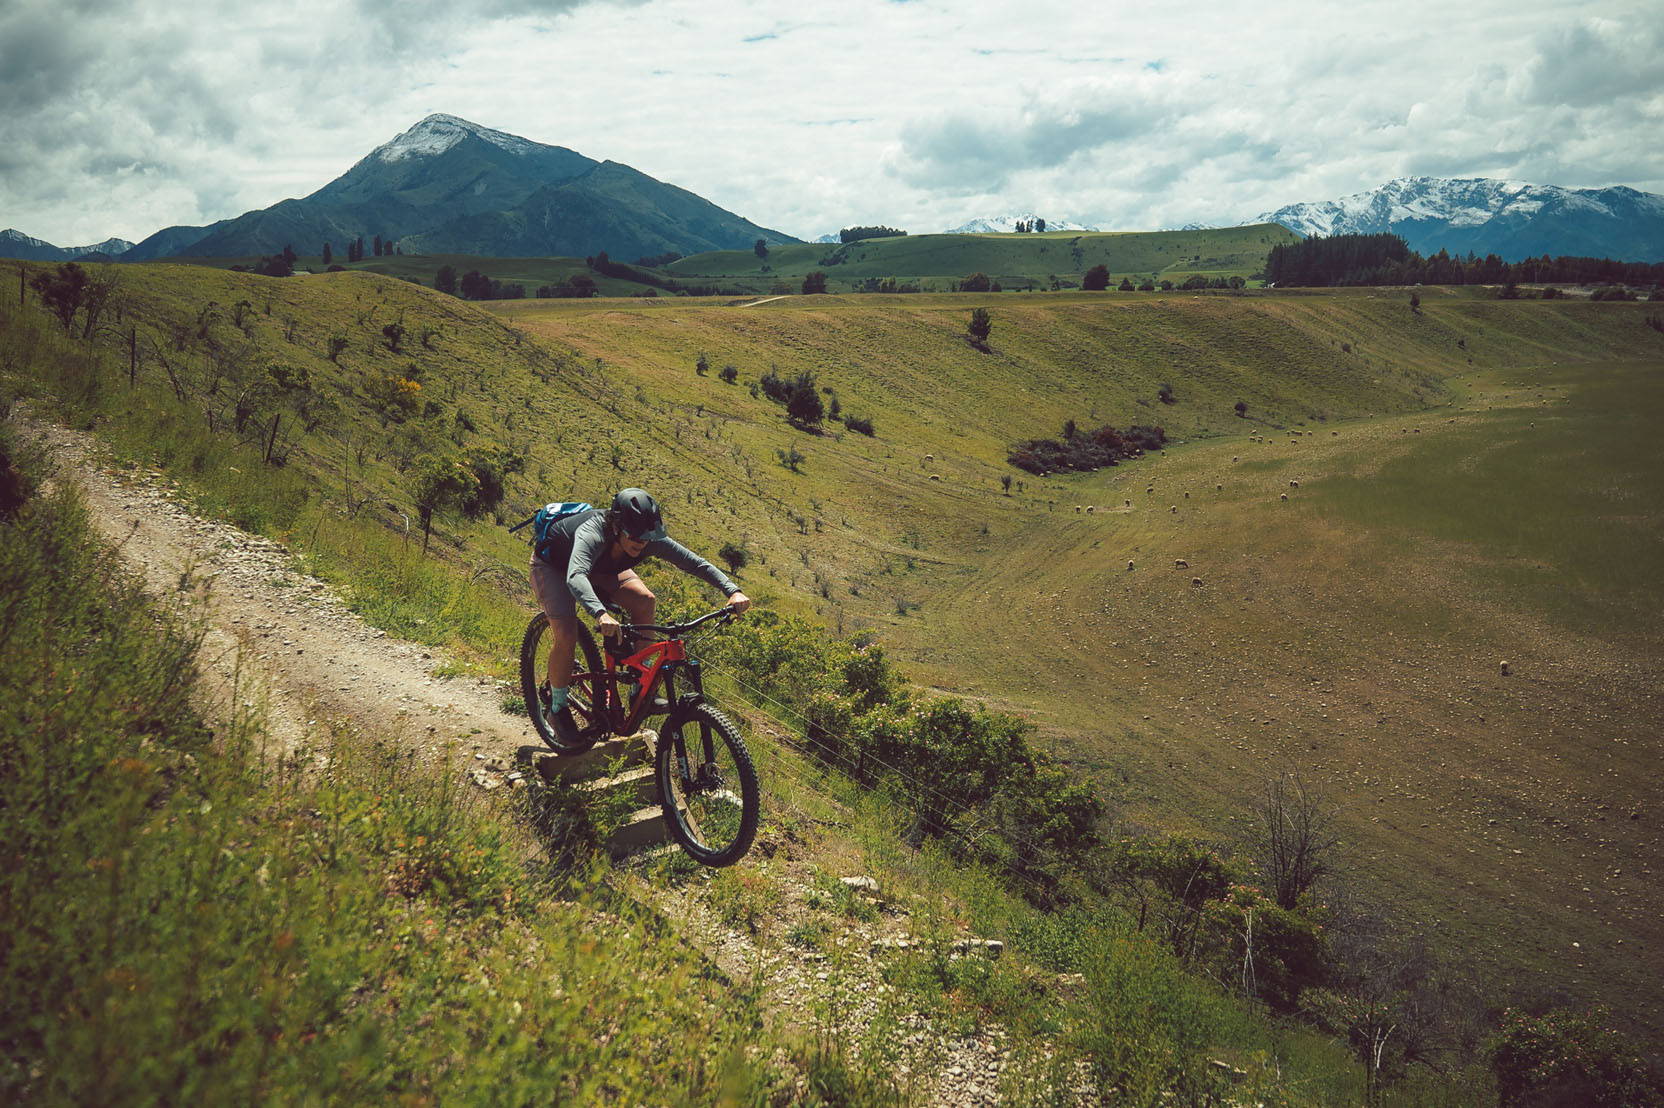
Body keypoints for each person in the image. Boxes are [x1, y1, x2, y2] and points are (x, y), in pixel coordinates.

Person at [529, 487, 750, 743]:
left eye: (647, 536)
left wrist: (732, 590)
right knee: (566, 634)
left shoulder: (647, 539)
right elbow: (576, 575)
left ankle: (640, 690)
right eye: (634, 535)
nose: (641, 542)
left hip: (601, 566)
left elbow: (694, 563)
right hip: (556, 566)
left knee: (645, 601)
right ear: (616, 526)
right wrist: (600, 613)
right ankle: (557, 708)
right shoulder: (592, 533)